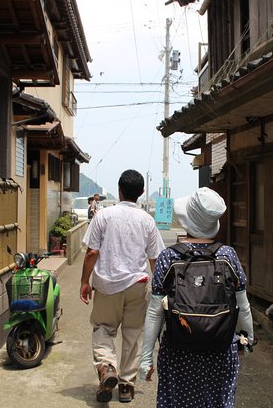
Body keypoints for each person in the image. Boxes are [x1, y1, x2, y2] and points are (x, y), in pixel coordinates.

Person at [139, 187, 254, 408]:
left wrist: (146, 358)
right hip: (221, 351)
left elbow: (155, 312)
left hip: (179, 353)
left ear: (187, 220)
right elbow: (243, 306)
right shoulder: (228, 255)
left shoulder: (168, 258)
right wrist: (248, 339)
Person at [80, 169, 165, 403]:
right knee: (133, 334)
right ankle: (127, 386)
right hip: (138, 285)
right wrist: (158, 292)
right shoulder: (147, 220)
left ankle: (107, 367)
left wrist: (84, 281)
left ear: (119, 190)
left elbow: (92, 252)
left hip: (107, 286)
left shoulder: (103, 216)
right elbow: (154, 259)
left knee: (103, 328)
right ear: (141, 193)